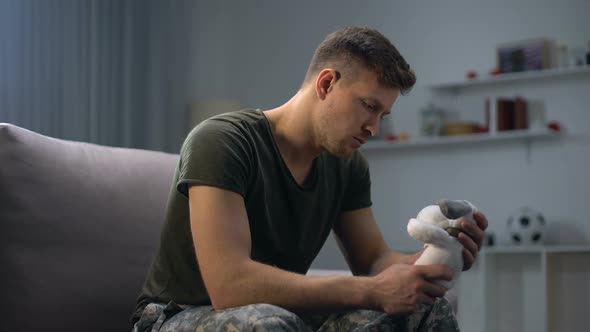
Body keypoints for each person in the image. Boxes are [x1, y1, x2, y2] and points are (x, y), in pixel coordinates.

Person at [132, 26, 488, 332]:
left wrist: (441, 254)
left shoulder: (347, 165)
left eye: (383, 114)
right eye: (368, 105)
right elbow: (229, 285)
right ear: (327, 82)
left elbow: (374, 261)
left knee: (428, 310)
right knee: (268, 324)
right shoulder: (222, 141)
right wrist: (370, 292)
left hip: (280, 316)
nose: (374, 128)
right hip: (176, 318)